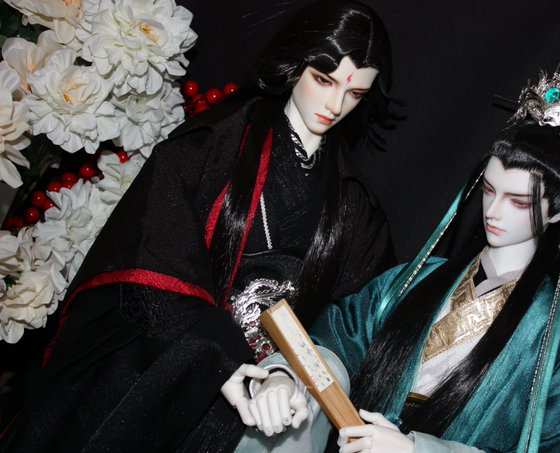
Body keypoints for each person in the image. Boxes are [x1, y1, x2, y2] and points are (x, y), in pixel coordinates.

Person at [0, 1, 394, 451]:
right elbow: (148, 260)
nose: (335, 105)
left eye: (355, 93)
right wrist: (219, 355)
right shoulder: (209, 147)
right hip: (168, 365)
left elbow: (352, 315)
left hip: (269, 398)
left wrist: (288, 373)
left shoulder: (354, 204)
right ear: (295, 64)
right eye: (323, 80)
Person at [236, 12, 560, 453]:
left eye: (518, 201)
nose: (494, 211)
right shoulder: (414, 281)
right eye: (489, 190)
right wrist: (288, 377)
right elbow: (335, 339)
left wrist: (420, 450)